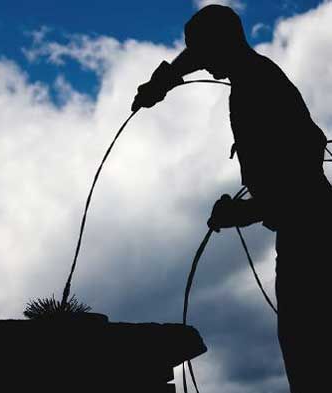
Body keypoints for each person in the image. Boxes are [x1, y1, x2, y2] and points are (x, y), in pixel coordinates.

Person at [132, 5, 332, 392]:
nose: (203, 66)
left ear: (224, 45)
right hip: (307, 231)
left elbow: (301, 190)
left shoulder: (259, 89)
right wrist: (166, 80)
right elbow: (198, 54)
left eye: (205, 54)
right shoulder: (252, 75)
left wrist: (240, 213)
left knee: (310, 352)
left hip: (312, 238)